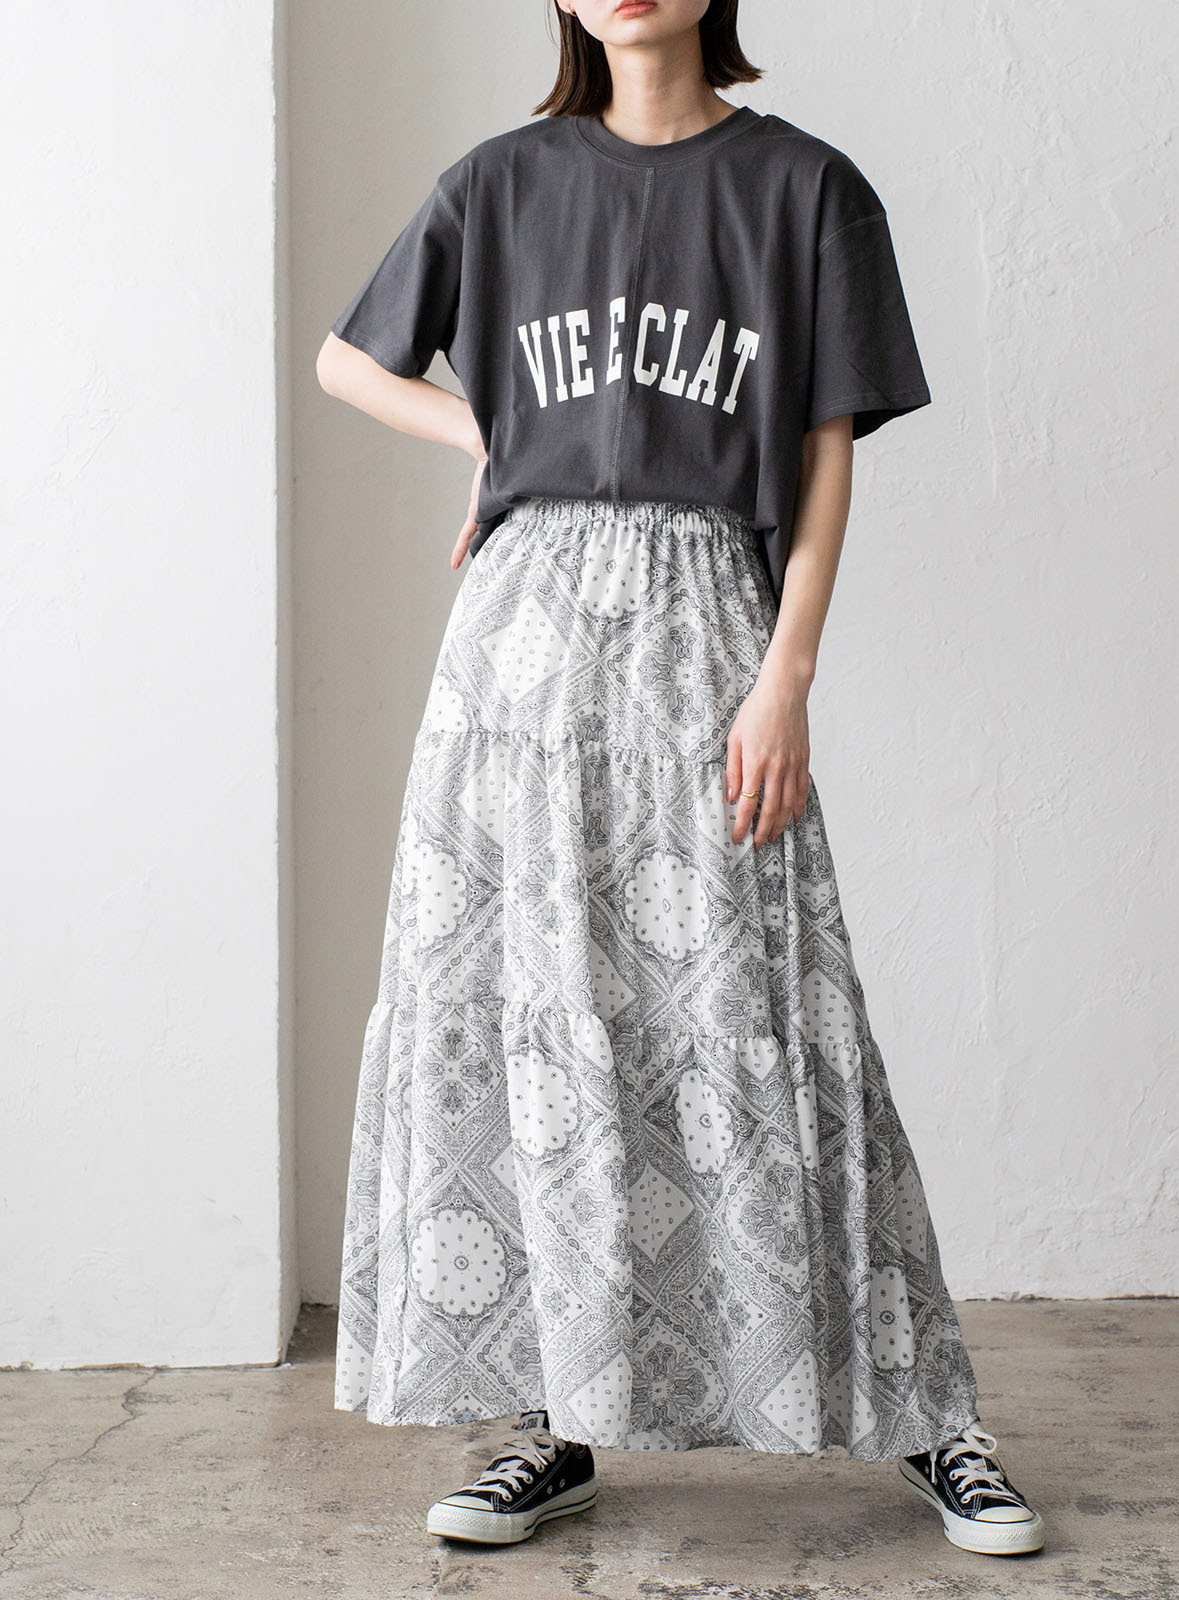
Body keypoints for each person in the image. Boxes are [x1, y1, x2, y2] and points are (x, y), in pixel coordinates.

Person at [315, 0, 1045, 1563]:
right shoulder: (501, 182)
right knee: (527, 1013)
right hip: (517, 647)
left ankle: (930, 1417)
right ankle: (549, 1417)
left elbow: (825, 452)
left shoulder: (803, 187)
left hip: (707, 615)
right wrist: (495, 442)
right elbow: (344, 361)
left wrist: (785, 675)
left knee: (769, 1007)